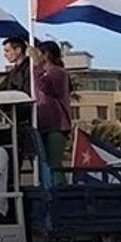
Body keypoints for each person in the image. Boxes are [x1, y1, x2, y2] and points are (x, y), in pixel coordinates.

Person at [32, 40, 72, 185]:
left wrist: (36, 67)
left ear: (46, 54)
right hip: (43, 124)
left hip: (57, 125)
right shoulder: (44, 73)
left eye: (38, 53)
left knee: (53, 162)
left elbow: (45, 87)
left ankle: (61, 193)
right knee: (45, 163)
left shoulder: (58, 72)